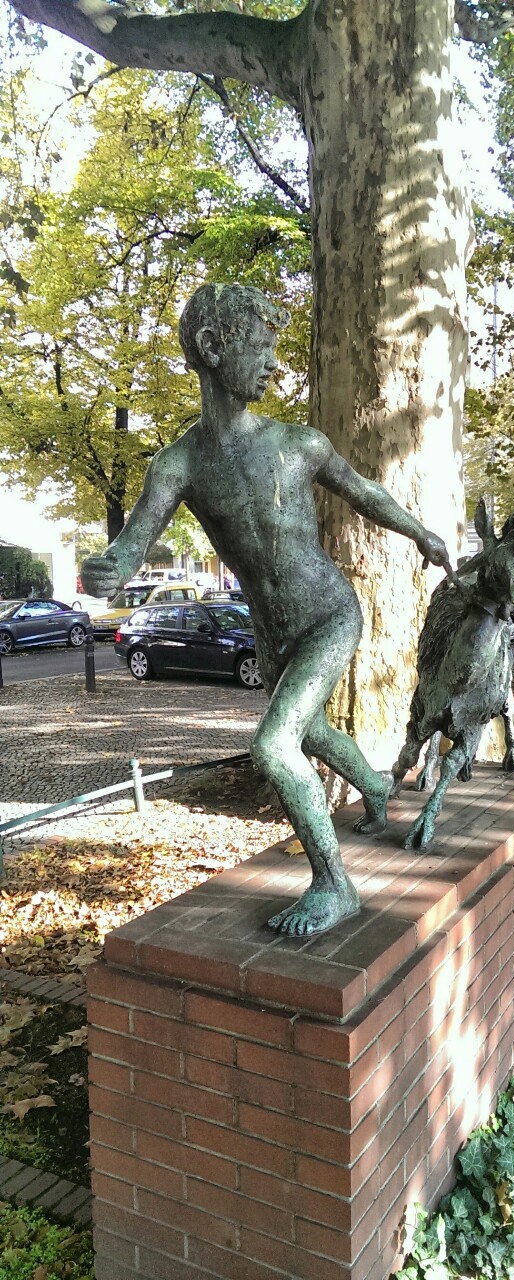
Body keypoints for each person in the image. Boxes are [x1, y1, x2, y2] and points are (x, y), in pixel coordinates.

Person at [82, 283, 449, 936]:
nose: (273, 364)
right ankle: (377, 788)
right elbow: (130, 549)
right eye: (260, 347)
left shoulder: (299, 443)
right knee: (310, 733)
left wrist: (422, 533)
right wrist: (107, 570)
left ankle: (334, 885)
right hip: (272, 633)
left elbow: (365, 493)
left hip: (329, 615)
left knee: (275, 746)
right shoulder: (178, 465)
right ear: (211, 348)